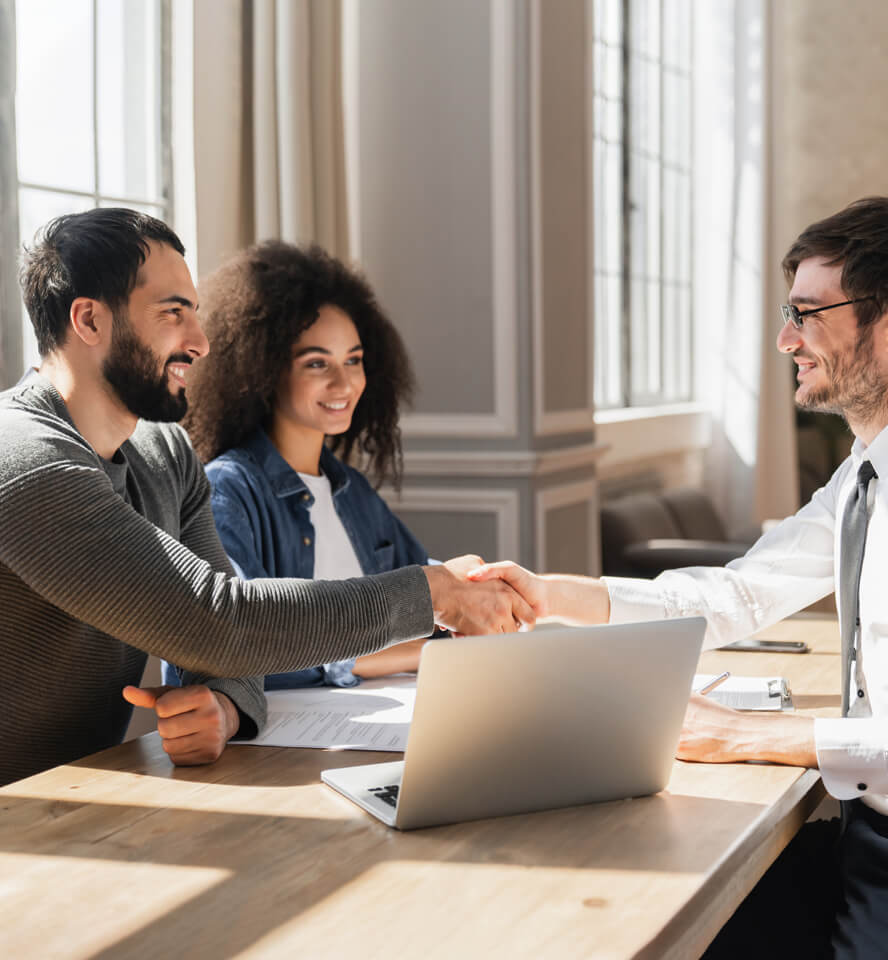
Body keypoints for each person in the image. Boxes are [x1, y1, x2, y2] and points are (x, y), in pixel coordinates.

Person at [469, 197, 888, 956]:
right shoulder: (873, 467)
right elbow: (739, 592)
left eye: (808, 313)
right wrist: (552, 594)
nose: (784, 338)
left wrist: (740, 735)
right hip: (876, 837)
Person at [0, 208, 533, 787]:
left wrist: (226, 708)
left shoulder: (166, 455)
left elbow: (226, 650)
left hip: (75, 805)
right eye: (173, 313)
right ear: (89, 320)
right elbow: (222, 621)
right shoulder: (25, 460)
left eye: (195, 314)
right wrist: (431, 594)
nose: (200, 343)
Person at [161, 240, 437, 693]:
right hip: (282, 746)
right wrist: (390, 655)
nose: (343, 382)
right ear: (265, 371)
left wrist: (477, 584)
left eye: (354, 360)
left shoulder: (352, 490)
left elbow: (427, 586)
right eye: (316, 363)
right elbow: (239, 644)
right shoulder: (227, 491)